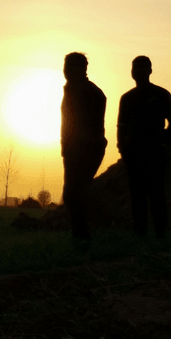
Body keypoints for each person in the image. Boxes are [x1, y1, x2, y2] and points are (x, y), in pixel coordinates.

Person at [117, 56, 171, 239]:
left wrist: (164, 140)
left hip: (154, 151)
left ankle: (160, 232)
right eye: (135, 68)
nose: (137, 71)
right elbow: (120, 127)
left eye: (142, 68)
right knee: (137, 195)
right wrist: (122, 149)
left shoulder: (161, 94)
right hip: (133, 154)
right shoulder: (127, 98)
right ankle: (140, 233)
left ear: (150, 71)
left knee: (156, 193)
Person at [61, 52, 107, 244]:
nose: (66, 71)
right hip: (73, 150)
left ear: (82, 70)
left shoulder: (91, 93)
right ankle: (80, 235)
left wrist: (79, 148)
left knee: (74, 193)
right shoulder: (71, 90)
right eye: (65, 67)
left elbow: (91, 127)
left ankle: (84, 236)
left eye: (71, 67)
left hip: (87, 149)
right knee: (73, 194)